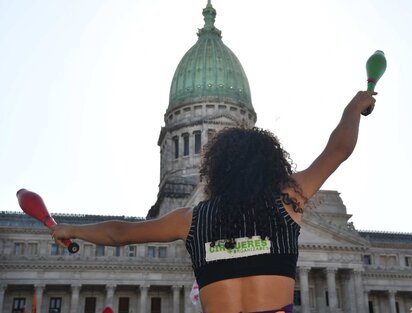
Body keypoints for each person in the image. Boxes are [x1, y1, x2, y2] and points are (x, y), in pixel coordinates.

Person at [51, 91, 377, 313]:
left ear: (215, 168)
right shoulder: (288, 201)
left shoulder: (190, 219)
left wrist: (70, 229)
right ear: (270, 164)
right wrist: (353, 109)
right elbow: (338, 150)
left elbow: (118, 234)